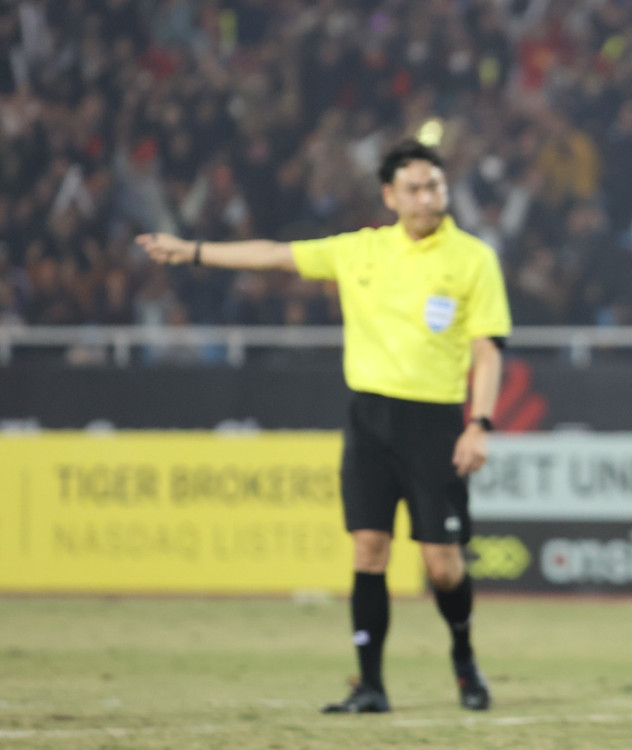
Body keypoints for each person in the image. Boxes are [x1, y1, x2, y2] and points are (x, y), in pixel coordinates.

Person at [137, 139, 510, 716]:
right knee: (369, 549)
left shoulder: (472, 259)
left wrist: (479, 423)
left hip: (434, 421)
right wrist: (193, 252)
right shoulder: (358, 251)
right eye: (413, 187)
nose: (426, 197)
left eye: (433, 185)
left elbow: (487, 350)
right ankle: (370, 685)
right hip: (368, 419)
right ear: (389, 196)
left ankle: (464, 659)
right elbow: (277, 256)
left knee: (441, 562)